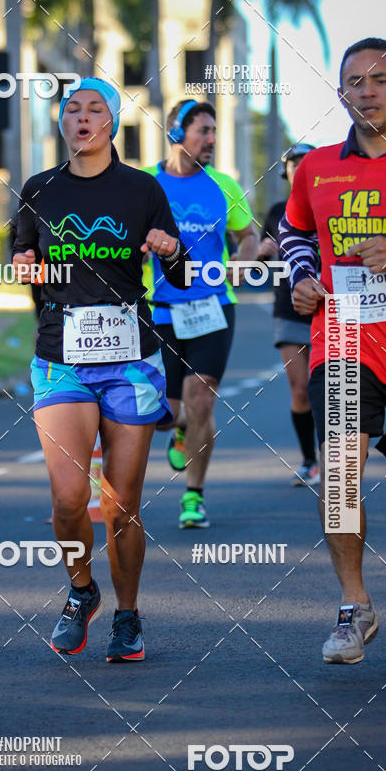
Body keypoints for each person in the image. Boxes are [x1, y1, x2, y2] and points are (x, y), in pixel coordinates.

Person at [13, 77, 189, 662]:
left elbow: (183, 273)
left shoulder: (142, 190)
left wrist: (168, 248)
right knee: (68, 500)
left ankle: (129, 615)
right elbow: (23, 261)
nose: (81, 117)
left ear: (111, 123)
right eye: (72, 109)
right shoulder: (39, 190)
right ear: (62, 122)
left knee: (120, 504)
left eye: (94, 109)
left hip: (131, 362)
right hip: (62, 359)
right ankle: (82, 591)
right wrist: (24, 265)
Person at [279, 38, 386, 669]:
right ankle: (354, 605)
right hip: (341, 341)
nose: (366, 90)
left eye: (379, 79)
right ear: (340, 91)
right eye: (353, 81)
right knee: (341, 476)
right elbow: (293, 229)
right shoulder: (316, 167)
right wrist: (302, 275)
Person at [143, 100, 259, 528]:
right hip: (162, 309)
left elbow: (248, 235)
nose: (211, 139)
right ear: (176, 131)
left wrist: (246, 260)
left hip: (213, 305)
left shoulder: (222, 185)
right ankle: (178, 427)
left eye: (214, 131)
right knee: (166, 413)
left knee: (202, 393)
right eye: (202, 131)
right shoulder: (146, 185)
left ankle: (193, 496)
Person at [258, 142, 319, 487]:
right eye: (294, 164)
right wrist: (264, 253)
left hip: (330, 306)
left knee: (332, 388)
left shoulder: (330, 203)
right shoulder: (278, 211)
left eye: (306, 163)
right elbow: (263, 257)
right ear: (287, 172)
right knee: (299, 389)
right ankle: (310, 461)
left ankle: (337, 458)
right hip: (289, 306)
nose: (300, 169)